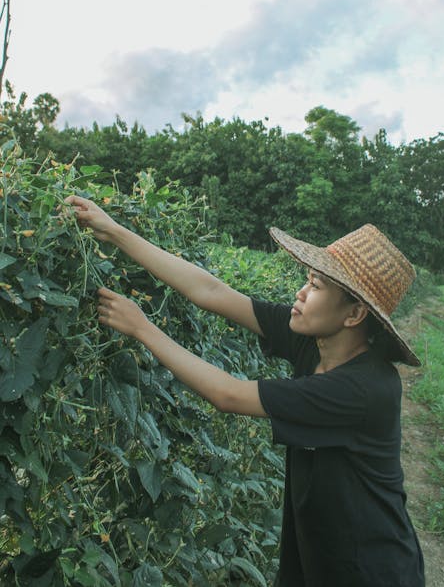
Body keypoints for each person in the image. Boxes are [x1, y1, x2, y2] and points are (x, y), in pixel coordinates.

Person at [65, 195, 425, 587]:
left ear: (354, 315)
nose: (301, 293)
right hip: (320, 552)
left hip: (372, 569)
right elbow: (212, 292)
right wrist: (113, 231)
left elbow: (229, 395)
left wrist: (142, 328)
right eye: (306, 280)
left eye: (316, 286)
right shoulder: (317, 342)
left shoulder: (363, 389)